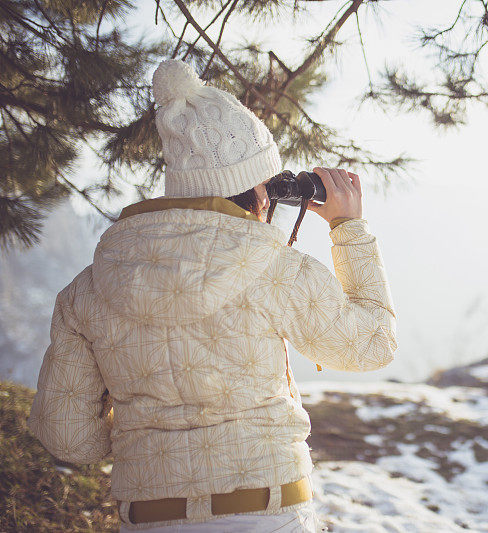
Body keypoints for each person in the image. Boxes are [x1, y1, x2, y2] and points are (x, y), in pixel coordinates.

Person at [25, 58, 398, 532]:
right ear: (259, 194)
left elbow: (67, 436)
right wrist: (349, 230)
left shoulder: (87, 288)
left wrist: (147, 445)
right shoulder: (272, 267)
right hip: (268, 511)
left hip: (150, 518)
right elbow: (372, 344)